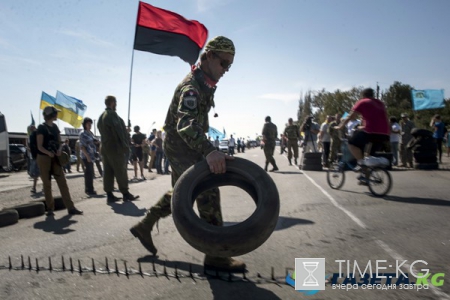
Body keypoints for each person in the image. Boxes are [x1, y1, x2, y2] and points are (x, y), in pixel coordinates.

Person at [129, 36, 245, 272]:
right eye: (224, 63)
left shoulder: (205, 83)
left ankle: (145, 224)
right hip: (182, 145)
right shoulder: (192, 87)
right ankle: (216, 257)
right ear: (209, 56)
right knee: (208, 191)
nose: (226, 70)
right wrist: (209, 151)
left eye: (229, 66)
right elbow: (186, 125)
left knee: (181, 194)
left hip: (185, 145)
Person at [36, 106, 83, 216]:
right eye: (55, 113)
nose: (57, 115)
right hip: (44, 158)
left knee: (63, 182)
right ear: (50, 115)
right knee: (47, 184)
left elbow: (59, 142)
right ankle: (50, 209)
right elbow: (39, 146)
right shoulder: (41, 128)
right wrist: (48, 153)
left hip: (55, 158)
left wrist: (59, 150)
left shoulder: (55, 127)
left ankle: (70, 207)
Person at [97, 96, 139, 202]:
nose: (116, 104)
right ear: (112, 102)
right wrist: (125, 145)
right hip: (115, 148)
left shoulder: (101, 116)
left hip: (105, 147)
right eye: (115, 102)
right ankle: (125, 193)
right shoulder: (111, 114)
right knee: (120, 170)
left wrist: (124, 129)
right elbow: (118, 131)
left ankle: (109, 194)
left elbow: (109, 130)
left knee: (108, 171)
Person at [338, 88, 390, 170]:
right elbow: (385, 119)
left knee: (351, 143)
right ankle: (366, 177)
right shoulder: (380, 103)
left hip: (371, 132)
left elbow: (350, 116)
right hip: (383, 134)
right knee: (369, 158)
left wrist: (340, 126)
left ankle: (360, 163)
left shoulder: (363, 101)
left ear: (363, 95)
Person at [79, 117, 98, 195]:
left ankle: (90, 188)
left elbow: (93, 142)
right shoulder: (83, 134)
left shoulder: (91, 133)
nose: (89, 125)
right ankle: (89, 190)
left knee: (90, 172)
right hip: (86, 156)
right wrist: (87, 156)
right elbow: (82, 146)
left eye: (90, 124)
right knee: (89, 173)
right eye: (88, 124)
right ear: (84, 125)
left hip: (92, 155)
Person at [27, 125, 40, 193]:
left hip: (37, 156)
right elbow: (30, 146)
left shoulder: (36, 135)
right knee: (35, 173)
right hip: (33, 156)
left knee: (36, 172)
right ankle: (35, 187)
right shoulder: (30, 136)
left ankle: (34, 187)